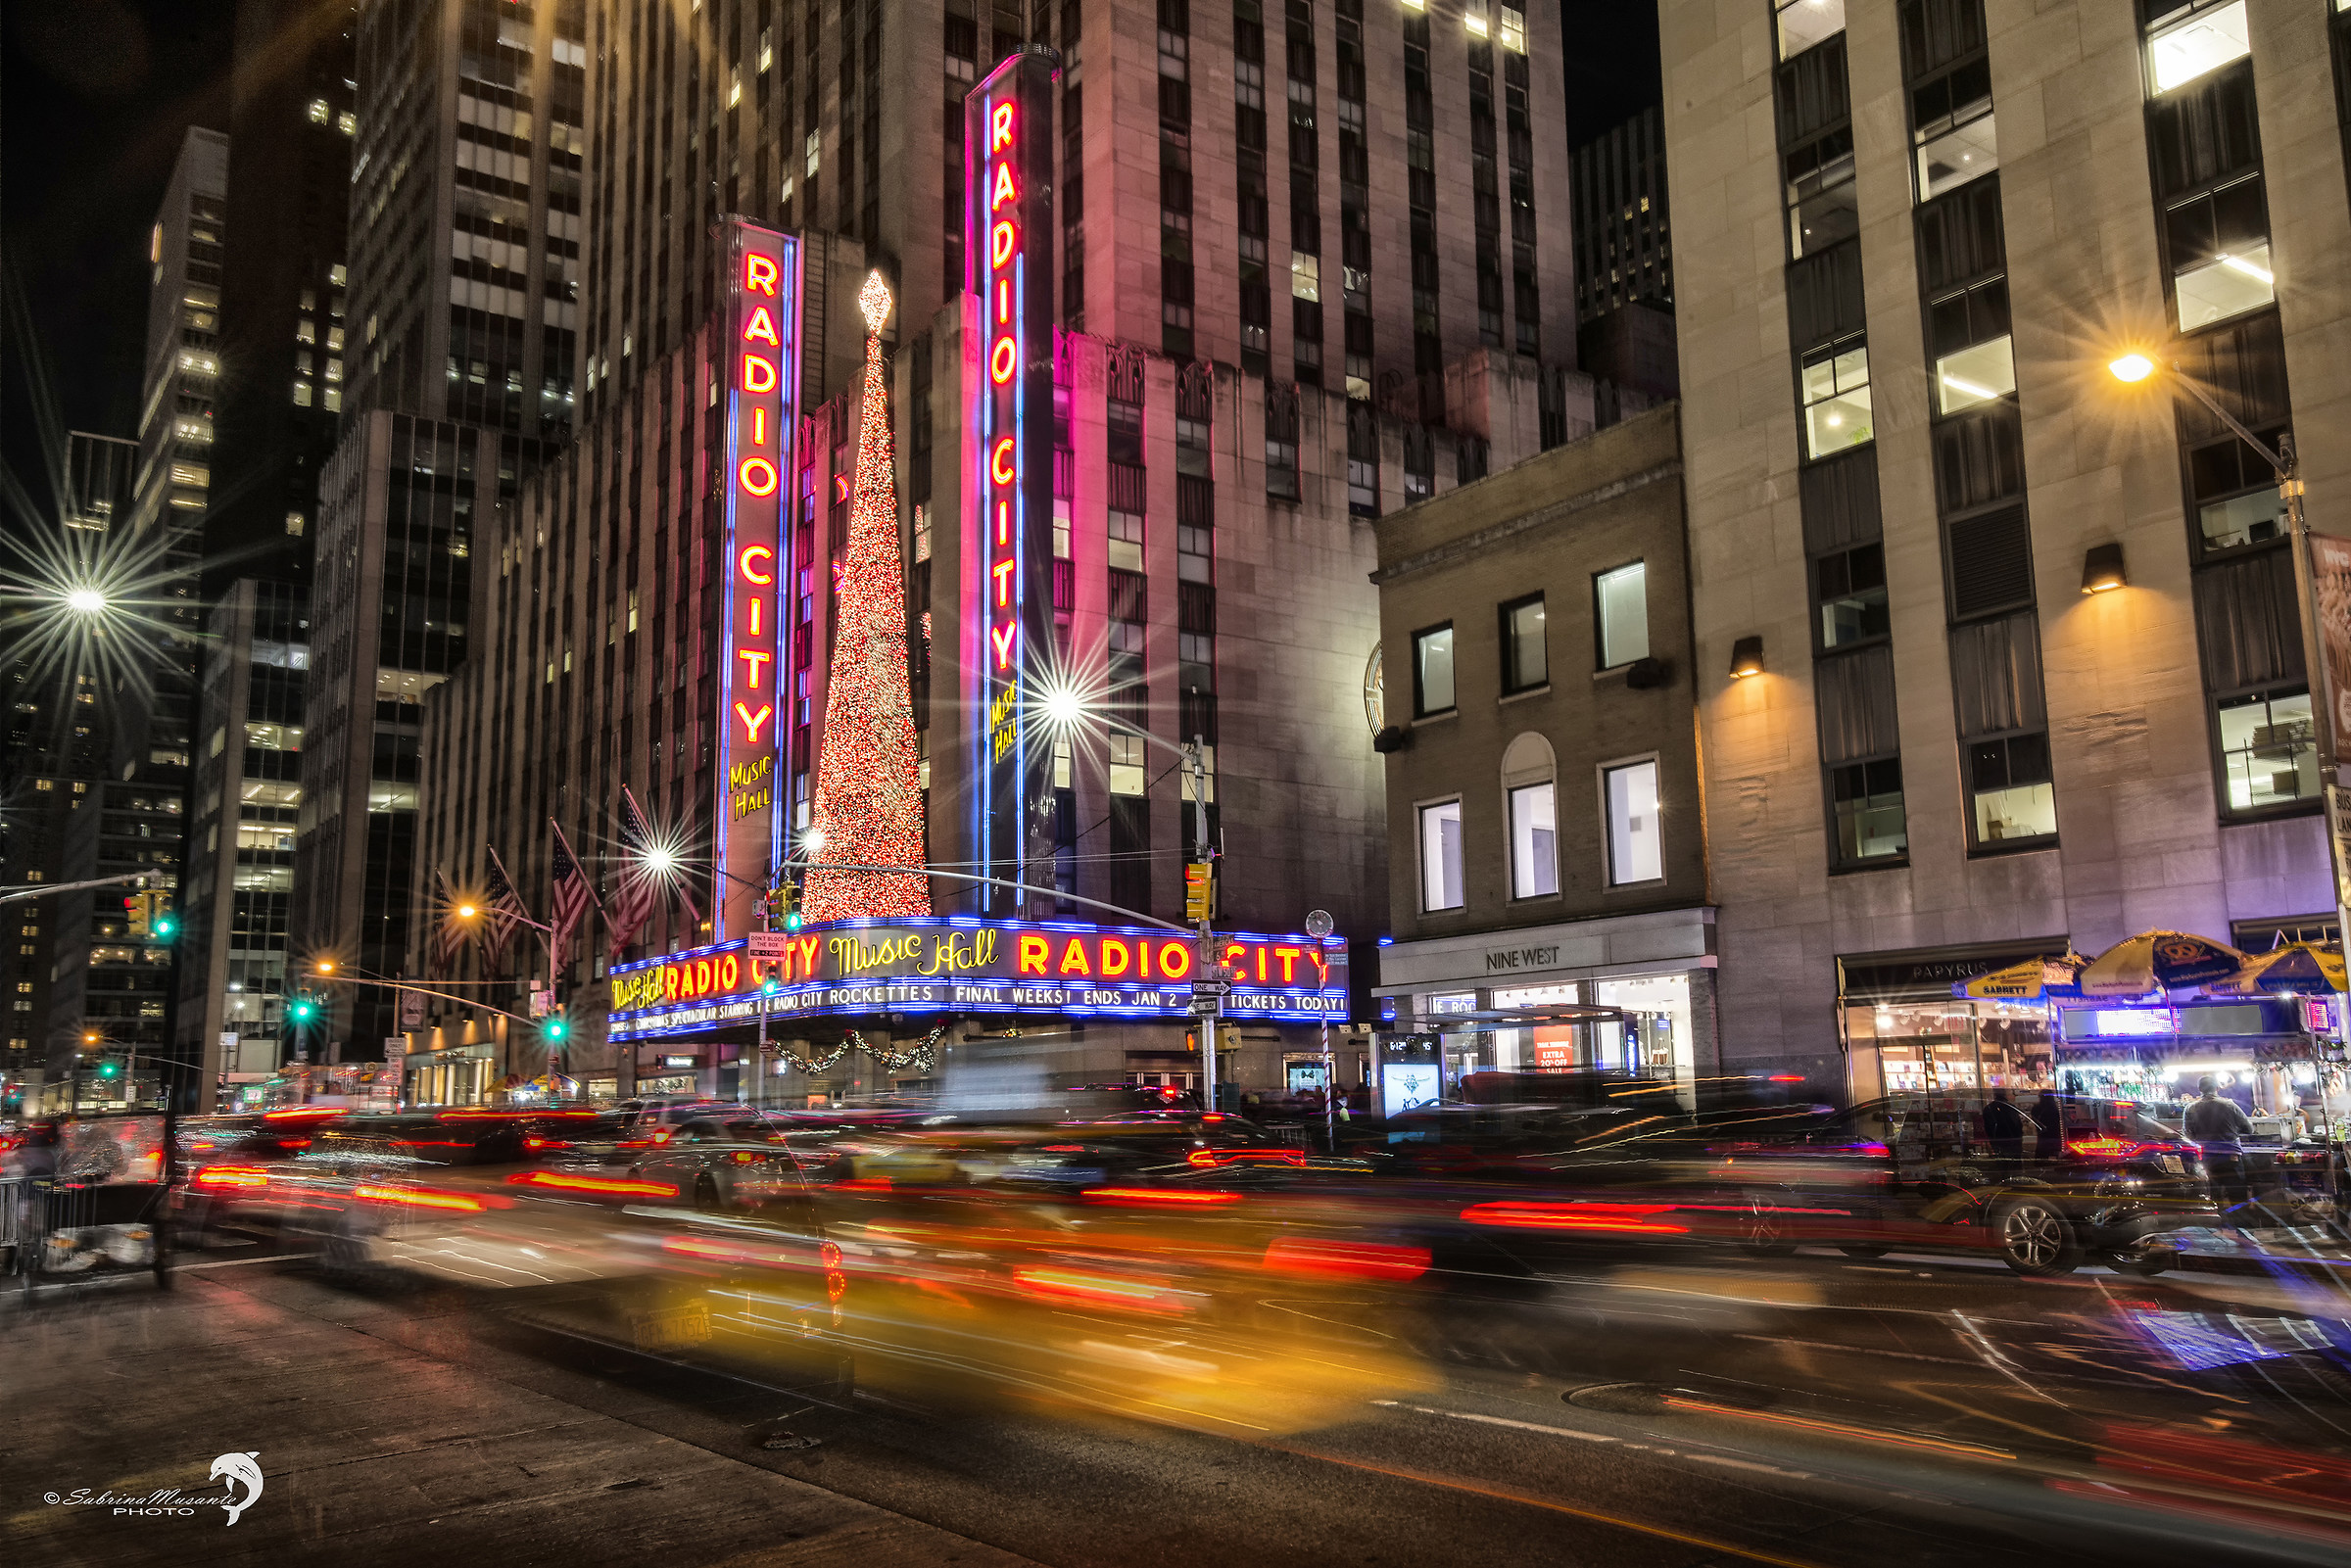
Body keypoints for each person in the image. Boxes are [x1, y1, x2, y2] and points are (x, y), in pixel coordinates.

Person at [2185, 1074, 2257, 1221]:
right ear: (2217, 1088)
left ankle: (2218, 1228)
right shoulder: (2229, 1105)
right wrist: (2232, 1131)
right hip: (2230, 1157)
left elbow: (2188, 1135)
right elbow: (2249, 1129)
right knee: (2237, 1197)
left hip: (2206, 1159)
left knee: (2213, 1197)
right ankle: (2241, 1230)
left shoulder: (2191, 1108)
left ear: (2199, 1089)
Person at [1983, 1087, 2026, 1164]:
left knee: (2002, 1163)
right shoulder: (2010, 1107)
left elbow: (1988, 1127)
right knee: (2014, 1163)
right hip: (2012, 1139)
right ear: (2005, 1094)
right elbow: (2017, 1124)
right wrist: (2019, 1137)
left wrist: (1992, 1139)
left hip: (1998, 1139)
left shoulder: (1989, 1108)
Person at [2030, 1089, 2064, 1163]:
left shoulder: (2036, 1108)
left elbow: (2035, 1120)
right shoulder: (2054, 1109)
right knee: (2054, 1154)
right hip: (2054, 1136)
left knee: (2042, 1156)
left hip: (2043, 1135)